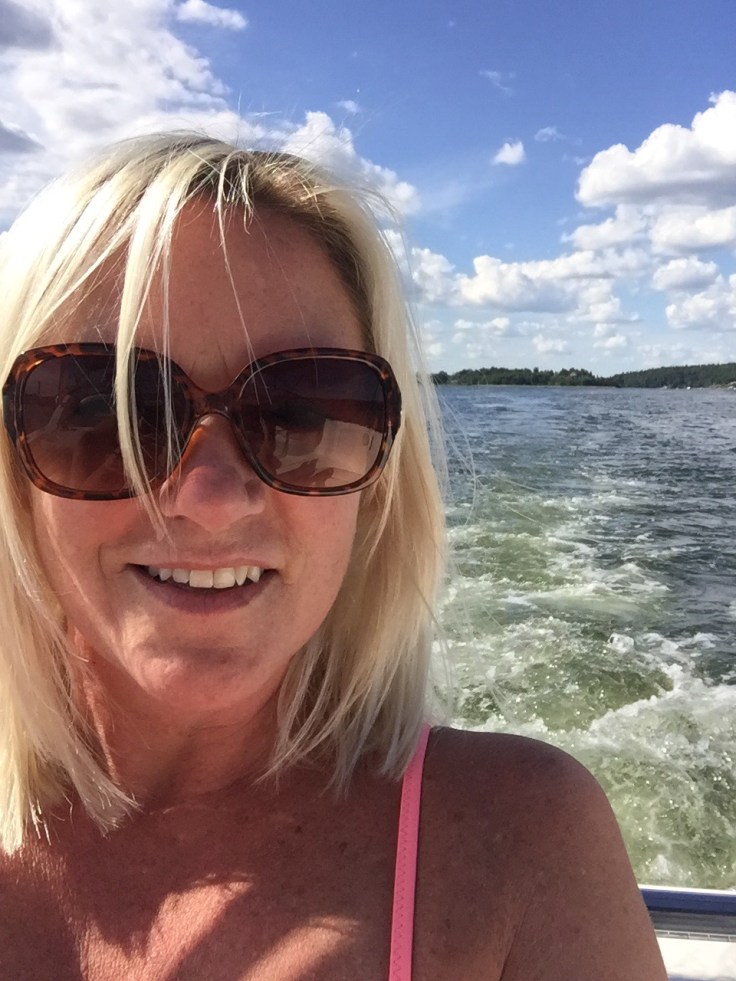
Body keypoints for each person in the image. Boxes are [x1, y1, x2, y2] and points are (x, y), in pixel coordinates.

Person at [0, 132, 666, 980]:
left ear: (377, 478)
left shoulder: (522, 847)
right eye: (111, 411)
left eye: (301, 411)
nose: (210, 496)